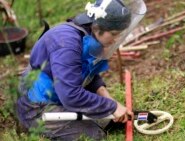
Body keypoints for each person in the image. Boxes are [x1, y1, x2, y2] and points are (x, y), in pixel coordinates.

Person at [16, 0, 146, 140]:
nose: (115, 40)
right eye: (114, 34)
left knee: (110, 121)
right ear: (98, 27)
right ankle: (30, 122)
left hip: (61, 92)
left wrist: (107, 97)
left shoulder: (88, 35)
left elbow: (86, 72)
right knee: (94, 136)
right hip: (37, 104)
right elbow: (70, 95)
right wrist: (112, 107)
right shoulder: (66, 44)